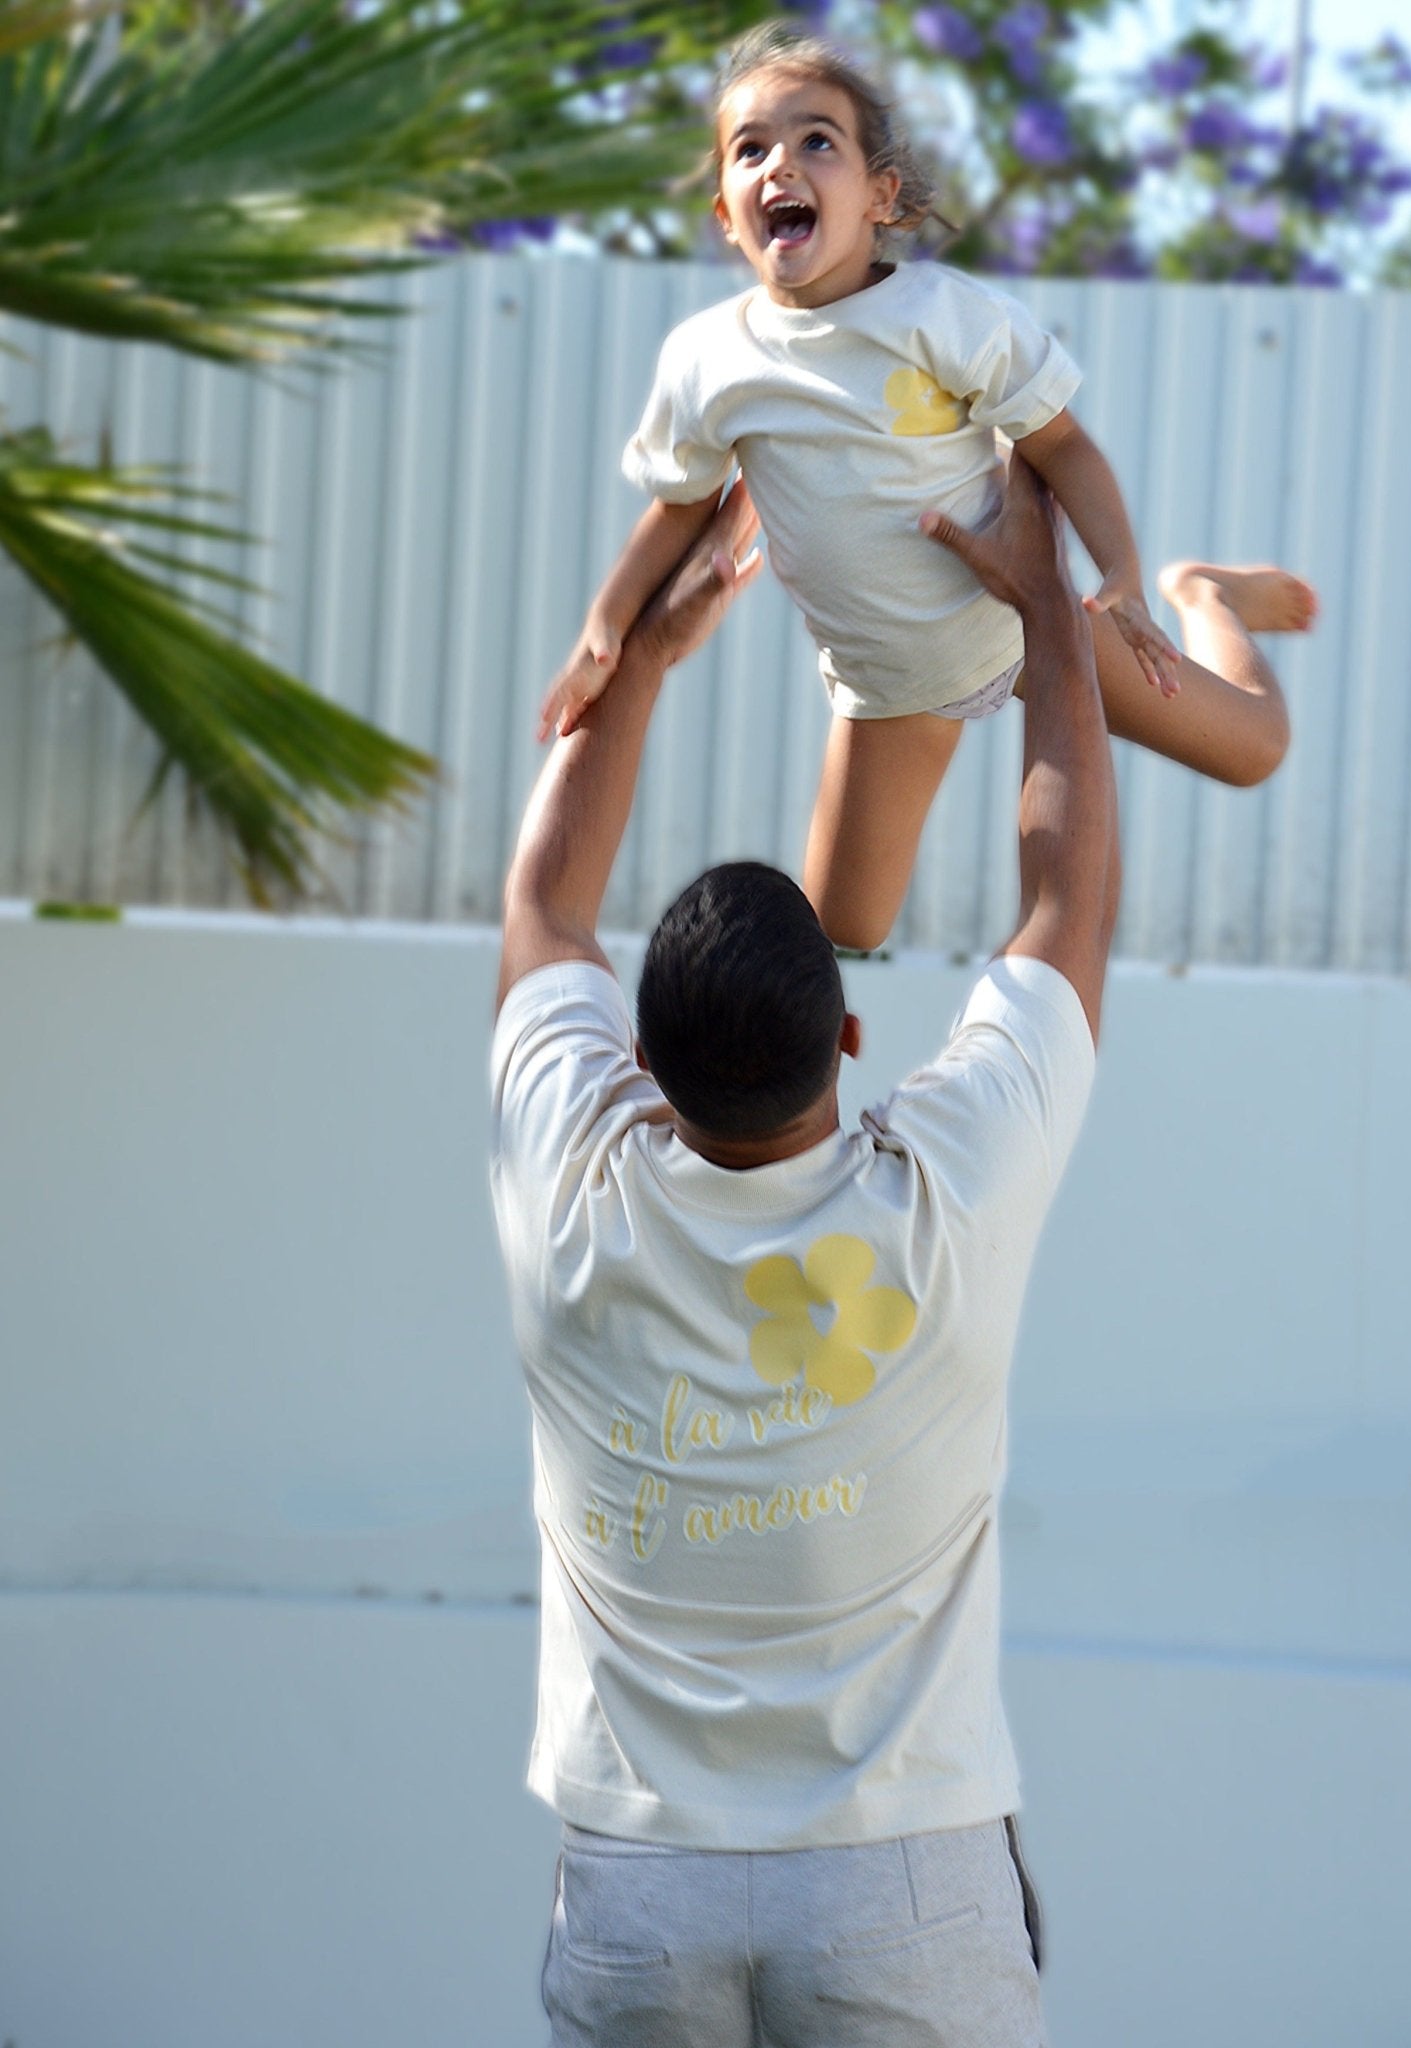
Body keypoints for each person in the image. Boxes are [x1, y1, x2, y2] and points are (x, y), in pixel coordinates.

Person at [491, 453, 1121, 2046]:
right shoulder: (948, 1201)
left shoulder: (573, 1190)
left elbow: (542, 910)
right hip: (902, 1885)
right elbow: (1064, 904)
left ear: (636, 1058)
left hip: (636, 1892)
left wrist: (642, 649)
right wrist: (1047, 607)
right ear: (848, 1036)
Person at [535, 20, 1317, 950]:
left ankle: (1209, 594)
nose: (779, 163)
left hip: (1019, 620)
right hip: (887, 684)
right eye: (751, 149)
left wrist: (1127, 578)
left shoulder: (943, 318)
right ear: (724, 213)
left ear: (878, 194)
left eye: (815, 141)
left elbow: (1063, 447)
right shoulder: (708, 360)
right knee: (840, 928)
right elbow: (680, 508)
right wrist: (605, 625)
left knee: (1255, 751)